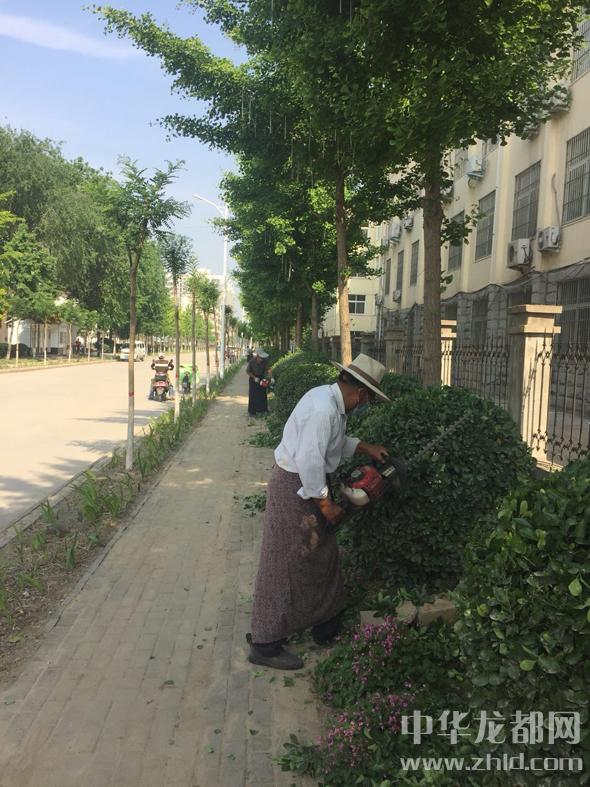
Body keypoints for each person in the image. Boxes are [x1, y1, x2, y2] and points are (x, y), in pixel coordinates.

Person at [248, 353, 390, 670]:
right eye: (369, 400)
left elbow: (333, 443)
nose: (367, 405)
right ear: (361, 393)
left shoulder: (331, 403)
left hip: (308, 485)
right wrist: (326, 505)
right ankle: (264, 643)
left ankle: (325, 622)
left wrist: (365, 447)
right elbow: (310, 461)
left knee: (321, 554)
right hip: (296, 486)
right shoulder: (323, 409)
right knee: (287, 560)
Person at [246, 348, 271, 417]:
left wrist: (270, 377)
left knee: (262, 394)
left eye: (262, 358)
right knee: (253, 395)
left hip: (261, 378)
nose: (261, 359)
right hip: (253, 378)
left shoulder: (265, 361)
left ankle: (263, 410)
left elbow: (268, 369)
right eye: (260, 358)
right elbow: (248, 371)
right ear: (257, 356)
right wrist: (254, 377)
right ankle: (252, 412)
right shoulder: (252, 361)